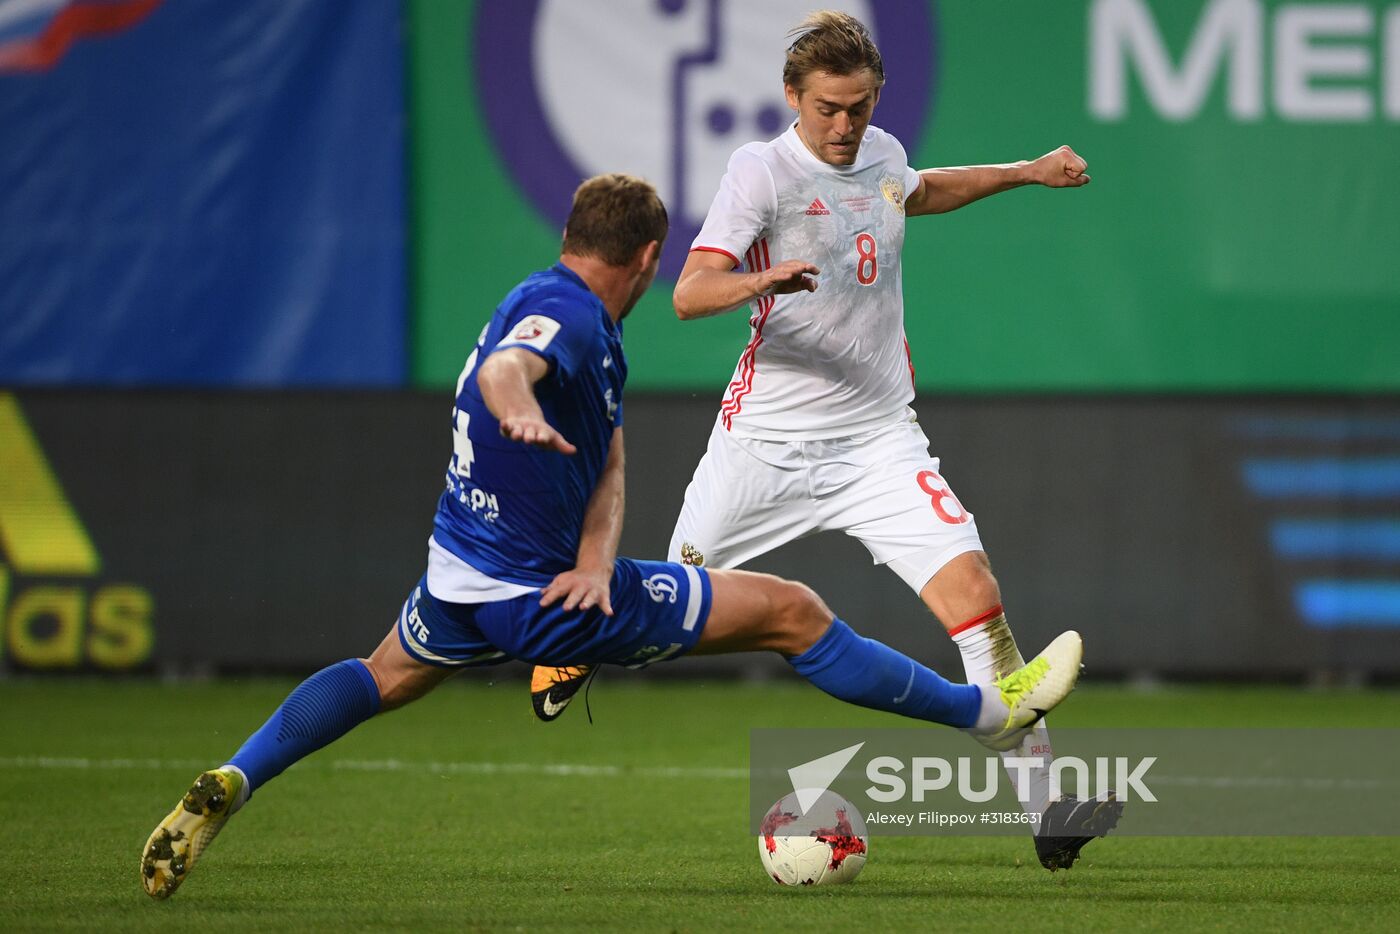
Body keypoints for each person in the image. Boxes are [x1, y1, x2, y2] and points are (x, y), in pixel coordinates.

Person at [140, 174, 1085, 900]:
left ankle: (236, 776)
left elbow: (608, 450)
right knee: (795, 612)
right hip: (544, 605)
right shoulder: (576, 320)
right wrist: (516, 412)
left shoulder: (547, 297)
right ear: (646, 259)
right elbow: (517, 368)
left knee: (381, 673)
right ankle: (990, 717)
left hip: (460, 576)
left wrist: (598, 552)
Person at [528, 13, 1121, 871]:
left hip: (878, 439)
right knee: (665, 612)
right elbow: (690, 294)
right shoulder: (760, 171)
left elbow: (921, 190)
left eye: (859, 106)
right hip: (762, 446)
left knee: (977, 600)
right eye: (828, 109)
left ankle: (1049, 808)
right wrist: (761, 277)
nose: (844, 127)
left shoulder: (879, 152)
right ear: (792, 99)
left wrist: (1025, 173)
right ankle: (569, 652)